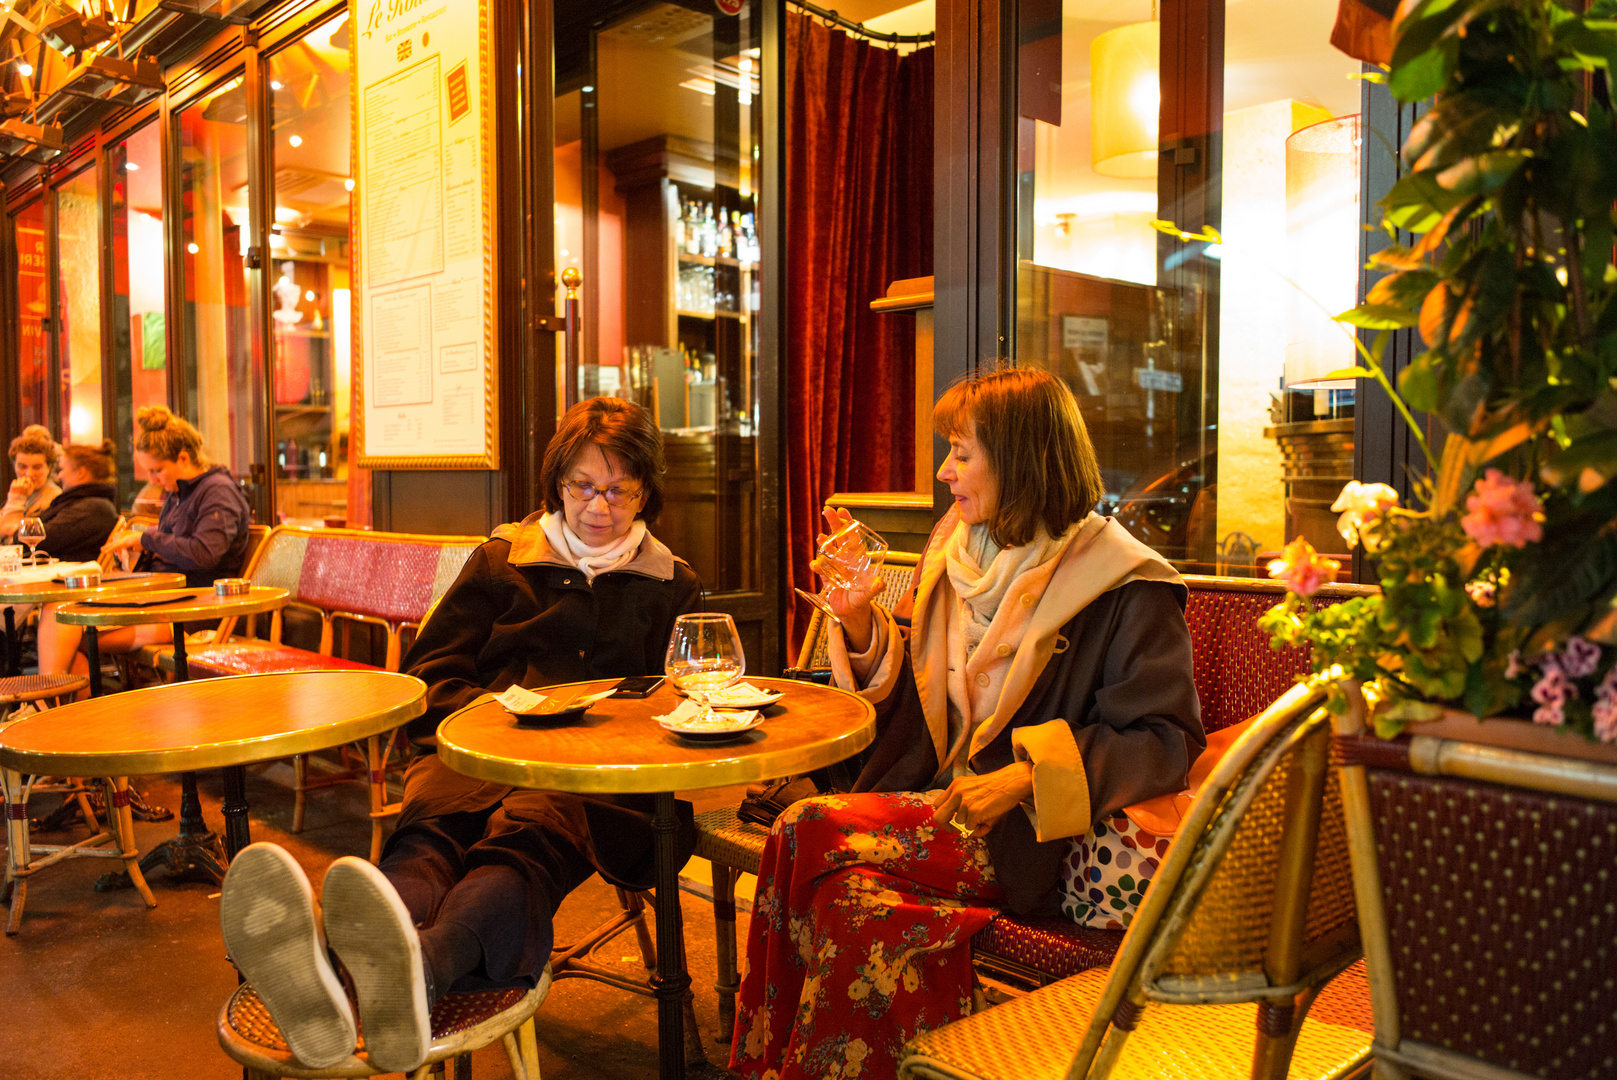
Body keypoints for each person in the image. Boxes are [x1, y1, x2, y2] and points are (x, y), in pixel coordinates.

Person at [730, 368, 1205, 1080]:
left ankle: (761, 1067)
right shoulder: (955, 557)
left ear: (1020, 459)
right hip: (936, 809)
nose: (944, 471)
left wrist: (1023, 777)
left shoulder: (1126, 583)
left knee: (803, 826)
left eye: (961, 452)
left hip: (1030, 838)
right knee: (848, 900)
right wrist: (860, 620)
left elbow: (1165, 741)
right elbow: (918, 717)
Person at [218, 396, 703, 1073]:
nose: (599, 505)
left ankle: (367, 973)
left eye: (619, 490)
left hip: (593, 781)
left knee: (522, 842)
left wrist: (596, 737)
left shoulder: (669, 583)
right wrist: (496, 723)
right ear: (555, 483)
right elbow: (432, 673)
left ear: (647, 492)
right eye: (582, 486)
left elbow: (678, 701)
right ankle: (375, 975)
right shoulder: (503, 560)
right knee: (431, 840)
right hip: (479, 754)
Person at [37, 405, 251, 677]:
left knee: (72, 632)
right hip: (163, 600)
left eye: (157, 470)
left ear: (183, 458)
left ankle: (49, 709)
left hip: (194, 612)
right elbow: (169, 549)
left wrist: (146, 539)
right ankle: (51, 710)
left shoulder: (218, 492)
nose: (153, 480)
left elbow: (204, 553)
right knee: (60, 608)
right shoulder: (179, 494)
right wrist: (133, 556)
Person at [33, 440, 119, 563]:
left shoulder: (92, 508)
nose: (59, 476)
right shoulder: (85, 502)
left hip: (70, 578)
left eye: (62, 469)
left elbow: (42, 539)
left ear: (80, 473)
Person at [0, 424, 62, 542]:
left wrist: (16, 499)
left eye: (37, 467)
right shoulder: (20, 491)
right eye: (22, 467)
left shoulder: (54, 498)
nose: (29, 474)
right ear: (14, 466)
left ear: (48, 468)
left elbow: (12, 538)